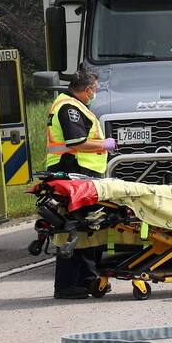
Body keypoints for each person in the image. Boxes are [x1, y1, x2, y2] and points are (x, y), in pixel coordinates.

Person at [47, 68, 117, 299]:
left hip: (80, 174)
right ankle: (67, 285)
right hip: (73, 172)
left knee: (88, 227)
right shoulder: (69, 108)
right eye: (94, 89)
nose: (95, 93)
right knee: (77, 228)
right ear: (87, 89)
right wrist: (104, 145)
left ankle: (86, 280)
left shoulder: (73, 105)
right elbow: (76, 141)